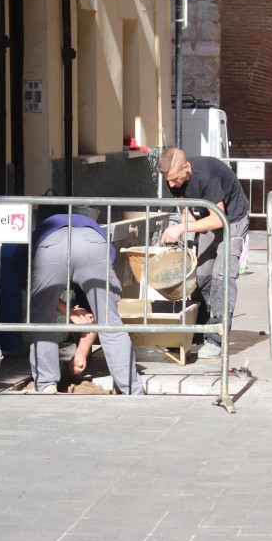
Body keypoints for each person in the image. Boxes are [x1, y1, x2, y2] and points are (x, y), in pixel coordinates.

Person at [26, 212, 144, 395]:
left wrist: (81, 352)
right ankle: (132, 390)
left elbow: (35, 293)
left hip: (50, 246)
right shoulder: (91, 232)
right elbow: (97, 312)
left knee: (42, 320)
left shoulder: (28, 246)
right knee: (109, 321)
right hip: (93, 243)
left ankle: (46, 386)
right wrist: (68, 311)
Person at [157, 147, 250, 359]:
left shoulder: (207, 174)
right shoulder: (174, 179)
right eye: (167, 180)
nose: (171, 184)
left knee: (221, 275)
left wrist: (180, 229)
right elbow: (186, 214)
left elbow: (219, 218)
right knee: (201, 274)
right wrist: (182, 240)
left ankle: (217, 339)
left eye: (174, 179)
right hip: (209, 219)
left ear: (186, 167)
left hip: (232, 220)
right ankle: (200, 331)